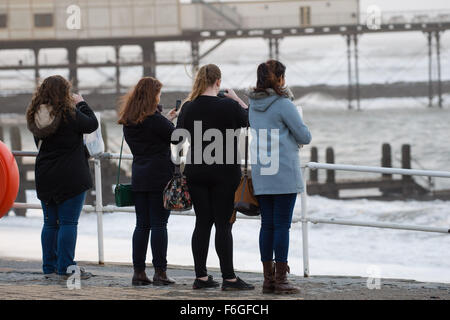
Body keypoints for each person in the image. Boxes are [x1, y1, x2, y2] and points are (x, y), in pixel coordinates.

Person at [176, 64, 254, 291]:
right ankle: (229, 279)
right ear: (218, 82)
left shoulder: (189, 107)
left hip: (196, 171)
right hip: (224, 172)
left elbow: (177, 139)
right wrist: (238, 99)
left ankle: (200, 278)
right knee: (223, 225)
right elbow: (250, 120)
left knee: (202, 223)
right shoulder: (229, 106)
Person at [247, 60, 312, 294]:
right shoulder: (284, 104)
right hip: (283, 170)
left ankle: (268, 280)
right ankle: (282, 280)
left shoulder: (253, 105)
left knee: (267, 225)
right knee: (282, 226)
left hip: (262, 170)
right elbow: (304, 136)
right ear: (280, 79)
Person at [26, 75, 99, 280]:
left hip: (45, 174)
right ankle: (66, 266)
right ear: (64, 93)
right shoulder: (69, 113)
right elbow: (92, 124)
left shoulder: (36, 114)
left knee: (50, 223)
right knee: (68, 223)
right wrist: (82, 103)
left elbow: (38, 143)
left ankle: (49, 266)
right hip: (70, 176)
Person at [118, 77, 178, 286]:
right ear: (153, 96)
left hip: (140, 176)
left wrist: (166, 120)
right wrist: (172, 121)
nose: (159, 97)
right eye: (158, 94)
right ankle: (160, 273)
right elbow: (177, 137)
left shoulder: (129, 120)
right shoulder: (155, 119)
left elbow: (156, 133)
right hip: (160, 176)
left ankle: (139, 272)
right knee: (160, 224)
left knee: (142, 225)